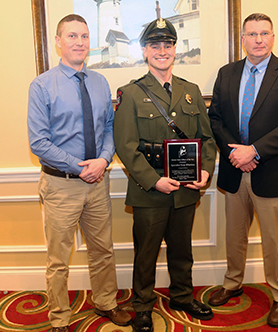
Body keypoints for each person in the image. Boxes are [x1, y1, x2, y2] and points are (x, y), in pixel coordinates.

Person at [27, 14, 132, 332]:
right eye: (72, 36)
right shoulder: (42, 85)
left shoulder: (101, 83)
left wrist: (103, 160)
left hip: (97, 181)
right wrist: (78, 167)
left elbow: (110, 127)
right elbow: (39, 142)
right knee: (58, 258)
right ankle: (59, 318)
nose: (79, 42)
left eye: (84, 36)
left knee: (103, 249)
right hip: (61, 185)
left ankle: (106, 302)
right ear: (58, 42)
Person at [114, 18, 216, 332]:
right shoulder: (130, 94)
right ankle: (142, 306)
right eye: (155, 45)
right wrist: (154, 179)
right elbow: (126, 146)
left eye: (168, 45)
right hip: (150, 190)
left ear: (175, 50)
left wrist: (205, 170)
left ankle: (182, 296)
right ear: (144, 51)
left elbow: (207, 139)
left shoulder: (190, 91)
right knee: (145, 253)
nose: (162, 51)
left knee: (182, 249)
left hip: (186, 187)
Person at [208, 13, 278, 328]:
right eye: (252, 34)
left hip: (271, 170)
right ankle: (232, 282)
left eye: (264, 33)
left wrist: (255, 151)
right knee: (234, 234)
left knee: (273, 240)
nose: (259, 40)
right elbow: (216, 120)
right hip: (234, 169)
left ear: (273, 37)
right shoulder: (227, 73)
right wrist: (237, 154)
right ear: (243, 39)